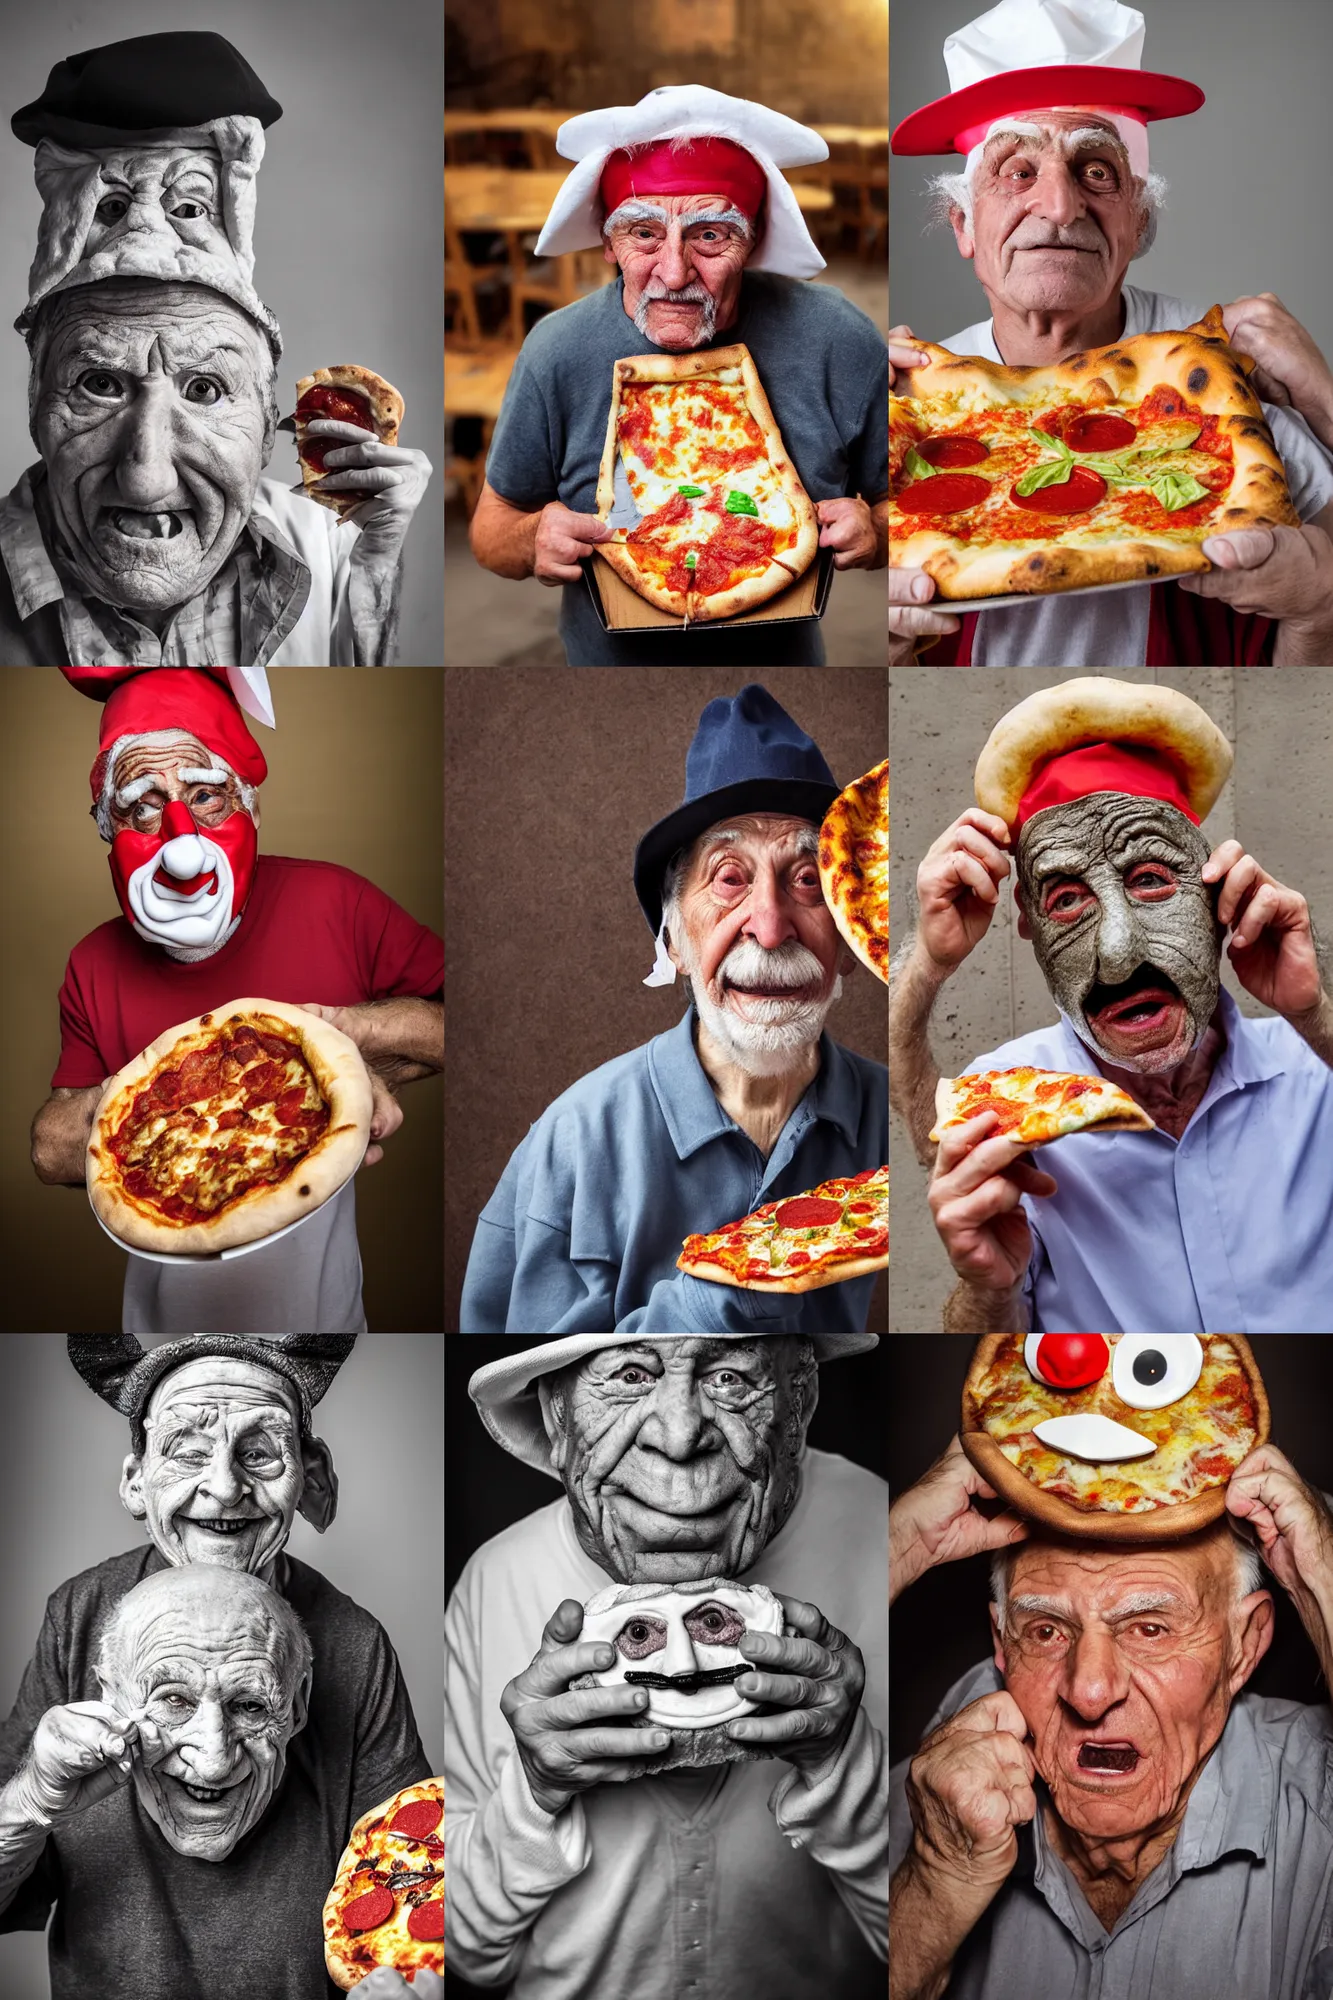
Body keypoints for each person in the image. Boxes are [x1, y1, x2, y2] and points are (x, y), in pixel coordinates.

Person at [888, 0, 1333, 666]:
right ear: (962, 225)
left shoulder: (1236, 386)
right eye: (1017, 171)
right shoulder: (907, 404)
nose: (1061, 207)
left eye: (1095, 171)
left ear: (1138, 223)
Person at [445, 1332, 888, 1997]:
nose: (679, 1437)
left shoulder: (885, 1526)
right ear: (554, 1417)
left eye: (731, 1379)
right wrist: (534, 1796)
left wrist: (842, 1763)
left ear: (798, 1403)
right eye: (627, 1375)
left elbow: (922, 1951)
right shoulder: (496, 1578)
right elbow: (468, 1954)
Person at [889, 677, 1333, 1332]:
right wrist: (988, 1290)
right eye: (1066, 899)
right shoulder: (1010, 1104)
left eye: (1149, 880)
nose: (1118, 956)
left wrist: (1313, 1011)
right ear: (1029, 926)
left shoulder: (1313, 1070)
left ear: (1216, 894)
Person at [0, 1334, 434, 2000]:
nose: (226, 1487)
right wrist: (31, 1797)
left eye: (259, 1452)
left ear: (311, 1477)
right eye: (186, 1451)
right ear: (135, 1481)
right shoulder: (78, 1616)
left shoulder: (355, 1643)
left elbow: (408, 1885)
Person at [29, 667, 444, 1335]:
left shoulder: (338, 901)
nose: (183, 849)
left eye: (208, 797)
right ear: (108, 831)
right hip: (158, 1327)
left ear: (251, 807)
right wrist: (176, 1101)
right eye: (141, 807)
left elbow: (466, 1025)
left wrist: (337, 1047)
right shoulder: (92, 961)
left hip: (324, 1321)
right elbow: (49, 1153)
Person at [461, 684, 887, 1332]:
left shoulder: (902, 1120)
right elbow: (526, 1383)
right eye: (728, 878)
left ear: (854, 931)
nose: (770, 928)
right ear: (674, 941)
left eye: (806, 881)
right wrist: (728, 1289)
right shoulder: (573, 1140)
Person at [0, 30, 431, 665]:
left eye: (204, 389)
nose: (145, 481)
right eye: (99, 384)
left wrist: (371, 571)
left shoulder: (335, 545)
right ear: (37, 401)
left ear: (266, 428)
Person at [888, 1433, 1333, 2000]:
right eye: (1047, 1631)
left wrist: (1322, 1577)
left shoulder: (1318, 1799)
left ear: (1243, 1647)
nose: (1091, 1692)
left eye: (1150, 1629)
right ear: (1002, 1642)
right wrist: (935, 1882)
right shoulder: (932, 1801)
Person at [468, 85, 889, 665]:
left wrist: (881, 531)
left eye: (710, 235)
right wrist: (532, 536)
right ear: (608, 243)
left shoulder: (838, 339)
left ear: (754, 238)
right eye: (644, 234)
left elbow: (912, 506)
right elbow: (491, 531)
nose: (672, 272)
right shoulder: (557, 350)